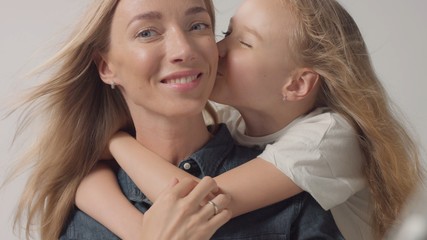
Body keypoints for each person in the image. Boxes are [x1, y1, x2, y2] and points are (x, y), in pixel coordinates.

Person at [75, 0, 423, 239]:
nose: (216, 49)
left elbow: (200, 203)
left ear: (297, 83)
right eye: (225, 33)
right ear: (106, 66)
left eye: (244, 43)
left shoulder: (326, 137)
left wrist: (115, 142)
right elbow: (82, 182)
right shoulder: (236, 124)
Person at [8, 0, 342, 239]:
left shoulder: (292, 190)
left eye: (198, 26)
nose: (183, 48)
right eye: (147, 32)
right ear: (106, 67)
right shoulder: (84, 215)